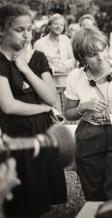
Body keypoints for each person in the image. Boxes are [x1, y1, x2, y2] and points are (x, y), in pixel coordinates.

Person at [0, 4, 67, 217]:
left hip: (41, 131)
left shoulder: (37, 58)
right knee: (20, 201)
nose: (27, 35)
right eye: (19, 30)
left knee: (41, 198)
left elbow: (52, 98)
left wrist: (25, 68)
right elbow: (8, 105)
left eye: (29, 29)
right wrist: (43, 108)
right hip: (15, 133)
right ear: (2, 30)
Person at [64, 27, 112, 201]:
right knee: (92, 188)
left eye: (103, 50)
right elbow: (68, 114)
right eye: (93, 54)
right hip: (89, 134)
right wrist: (84, 107)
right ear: (82, 57)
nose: (100, 57)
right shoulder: (75, 77)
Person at [34, 13, 76, 87]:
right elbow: (37, 65)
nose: (58, 27)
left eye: (61, 25)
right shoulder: (39, 44)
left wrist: (62, 65)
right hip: (48, 82)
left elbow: (73, 59)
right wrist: (54, 68)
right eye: (56, 24)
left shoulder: (66, 40)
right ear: (49, 26)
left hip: (65, 81)